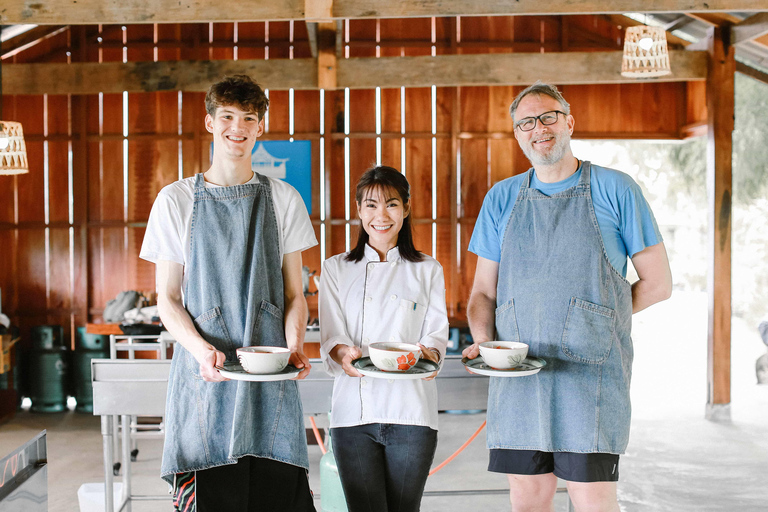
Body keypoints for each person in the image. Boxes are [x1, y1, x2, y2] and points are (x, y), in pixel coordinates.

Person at [463, 81, 672, 512]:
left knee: (593, 504)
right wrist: (485, 343)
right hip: (517, 380)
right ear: (517, 134)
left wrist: (594, 318)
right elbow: (483, 291)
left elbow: (658, 283)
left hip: (589, 378)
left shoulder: (616, 189)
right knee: (528, 503)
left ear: (569, 122)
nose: (538, 128)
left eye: (548, 117)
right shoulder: (501, 199)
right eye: (526, 123)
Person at [140, 75, 318, 511]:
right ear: (209, 122)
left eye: (249, 119)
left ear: (260, 128)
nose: (237, 127)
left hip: (270, 378)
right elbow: (167, 297)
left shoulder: (284, 198)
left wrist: (293, 346)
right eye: (227, 116)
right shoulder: (175, 200)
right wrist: (201, 350)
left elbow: (296, 294)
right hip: (205, 379)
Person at [319, 165, 449, 512]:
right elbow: (332, 333)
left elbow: (436, 333)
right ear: (359, 210)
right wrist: (344, 353)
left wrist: (430, 353)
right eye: (371, 205)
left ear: (406, 209)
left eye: (392, 204)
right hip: (353, 414)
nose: (381, 215)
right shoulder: (335, 268)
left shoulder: (427, 269)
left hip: (412, 413)